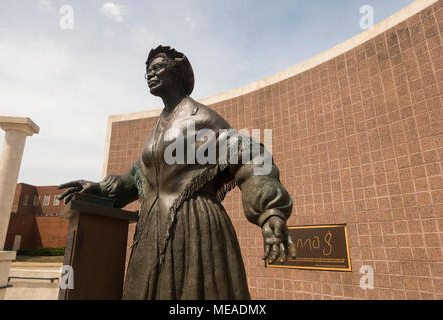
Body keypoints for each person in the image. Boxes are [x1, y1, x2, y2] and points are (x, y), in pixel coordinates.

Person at [58, 45, 296, 299]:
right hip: (151, 227)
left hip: (194, 225)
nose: (150, 74)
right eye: (147, 70)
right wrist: (99, 188)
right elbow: (139, 176)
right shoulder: (156, 128)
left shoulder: (203, 118)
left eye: (158, 67)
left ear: (177, 73)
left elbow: (249, 154)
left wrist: (270, 211)